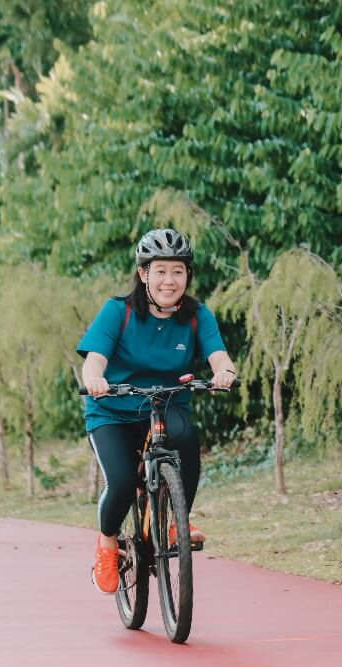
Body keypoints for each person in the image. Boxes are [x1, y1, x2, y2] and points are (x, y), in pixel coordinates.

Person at [77, 228, 237, 594]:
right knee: (121, 482)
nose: (170, 280)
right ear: (143, 273)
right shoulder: (118, 311)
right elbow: (94, 360)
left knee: (187, 440)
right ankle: (107, 543)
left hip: (167, 405)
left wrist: (224, 373)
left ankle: (176, 521)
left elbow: (219, 355)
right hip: (113, 410)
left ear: (187, 275)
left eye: (178, 271)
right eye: (160, 271)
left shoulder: (197, 315)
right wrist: (95, 379)